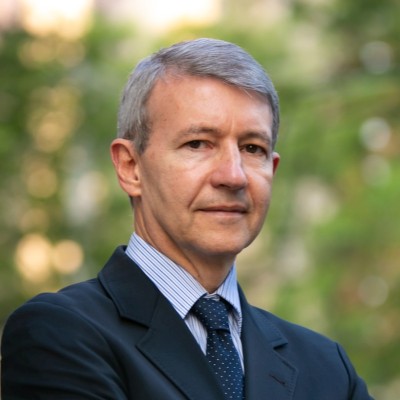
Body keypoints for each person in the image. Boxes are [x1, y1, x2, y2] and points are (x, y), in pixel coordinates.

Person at [1, 38, 373, 399]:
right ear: (130, 167)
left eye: (252, 148)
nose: (233, 176)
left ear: (272, 171)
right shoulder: (61, 334)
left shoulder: (327, 368)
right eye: (198, 144)